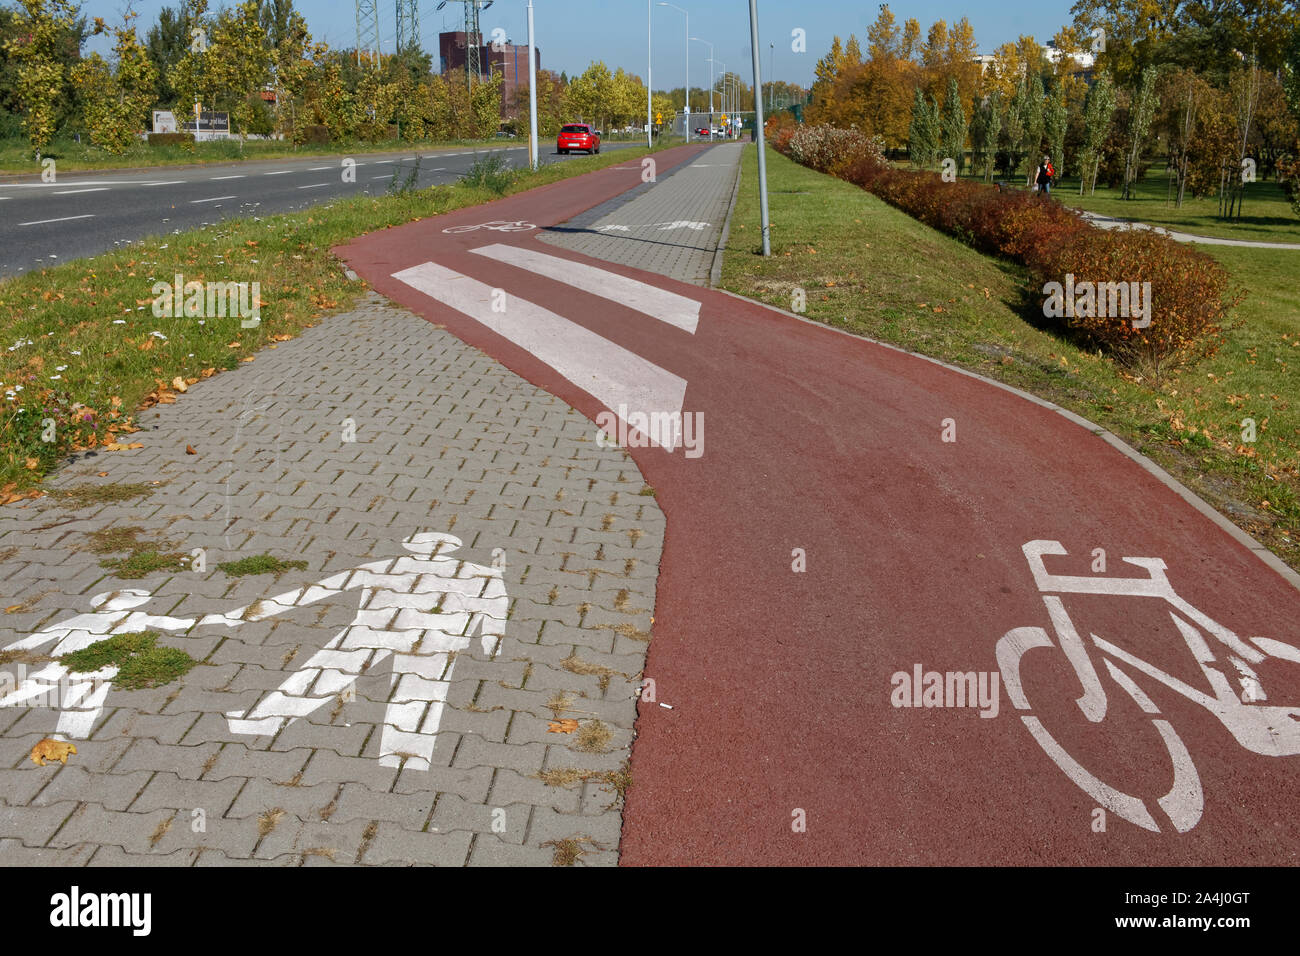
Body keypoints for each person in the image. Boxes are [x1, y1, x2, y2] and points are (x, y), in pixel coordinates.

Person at [203, 532, 508, 771]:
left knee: (326, 675)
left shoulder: (388, 566)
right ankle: (404, 756)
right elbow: (321, 590)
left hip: (396, 632)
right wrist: (491, 644)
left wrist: (492, 642)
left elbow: (318, 590)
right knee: (408, 694)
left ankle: (265, 722)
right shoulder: (481, 574)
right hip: (424, 636)